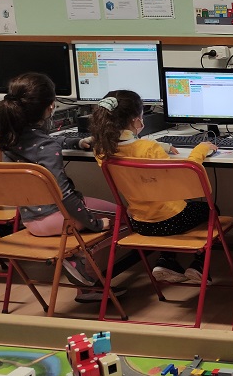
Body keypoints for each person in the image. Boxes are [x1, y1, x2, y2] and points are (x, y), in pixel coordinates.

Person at [0, 72, 116, 301]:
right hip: (58, 218)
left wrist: (75, 142)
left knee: (93, 215)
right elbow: (65, 196)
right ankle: (81, 268)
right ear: (51, 107)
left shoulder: (9, 138)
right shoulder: (47, 147)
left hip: (30, 220)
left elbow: (44, 141)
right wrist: (96, 224)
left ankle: (82, 268)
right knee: (122, 217)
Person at [88, 90, 216, 284]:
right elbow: (185, 175)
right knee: (210, 210)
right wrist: (201, 149)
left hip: (139, 223)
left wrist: (161, 145)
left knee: (167, 208)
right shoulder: (149, 149)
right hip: (171, 221)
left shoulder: (102, 151)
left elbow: (129, 147)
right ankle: (199, 265)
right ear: (136, 121)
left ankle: (166, 261)